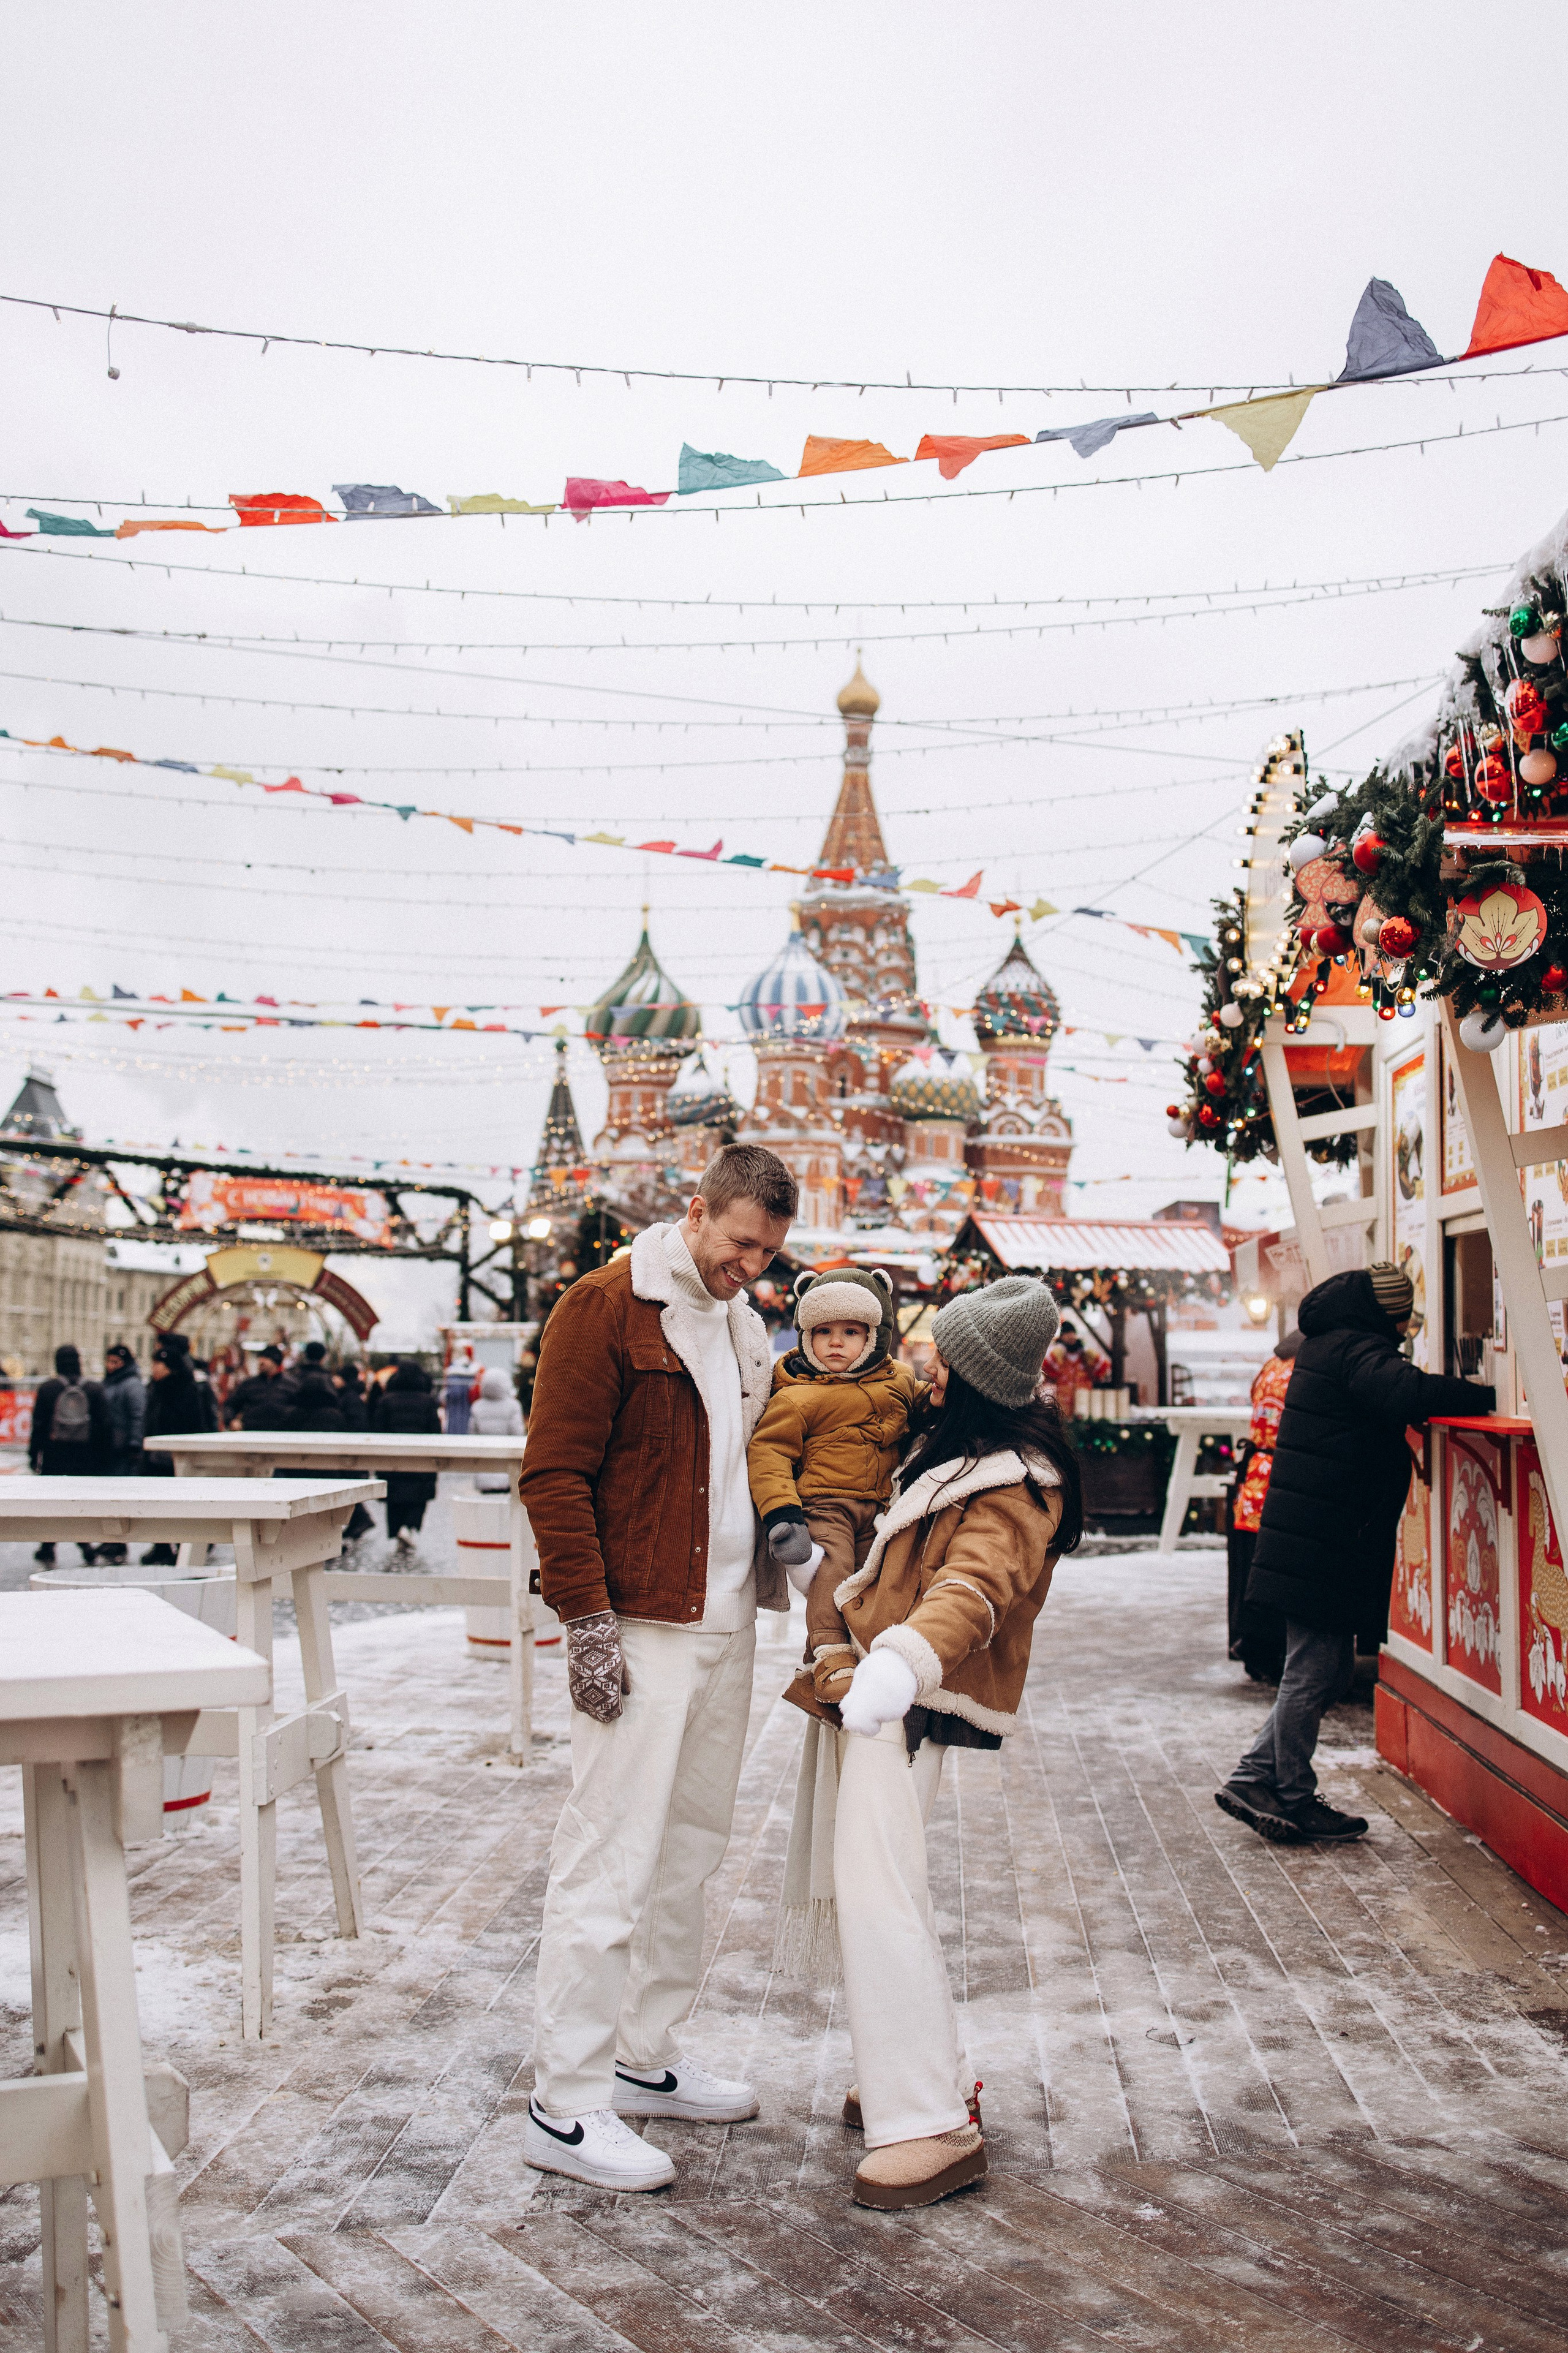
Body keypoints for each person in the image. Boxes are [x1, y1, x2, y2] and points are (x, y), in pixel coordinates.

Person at [519, 1142, 797, 2192]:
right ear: (697, 1211)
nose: (752, 1267)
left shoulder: (739, 1321)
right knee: (609, 1855)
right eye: (738, 1244)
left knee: (688, 1850)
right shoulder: (606, 1307)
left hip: (724, 1622)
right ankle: (566, 2101)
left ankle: (642, 2058)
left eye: (768, 1253)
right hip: (639, 1622)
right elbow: (553, 1473)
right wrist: (586, 1621)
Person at [779, 1274, 1078, 2210]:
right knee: (886, 1883)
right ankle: (920, 2072)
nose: (929, 1374)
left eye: (945, 1361)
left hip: (901, 1699)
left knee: (880, 1899)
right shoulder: (961, 1454)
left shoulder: (1014, 1483)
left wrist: (900, 1662)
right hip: (875, 1691)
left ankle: (929, 2121)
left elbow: (976, 1589)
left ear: (978, 1375)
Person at [1216, 1264, 1494, 1847]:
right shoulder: (1355, 1349)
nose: (1406, 1325)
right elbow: (1409, 1391)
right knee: (1315, 1670)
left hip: (1318, 1536)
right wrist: (1488, 1394)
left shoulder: (1332, 1343)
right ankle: (1286, 1792)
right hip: (1323, 1540)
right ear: (1384, 1312)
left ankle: (1257, 1776)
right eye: (1404, 1314)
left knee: (1324, 1667)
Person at [747, 1267, 922, 1641]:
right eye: (823, 1331)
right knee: (833, 1568)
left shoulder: (901, 1379)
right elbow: (768, 1453)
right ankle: (827, 1648)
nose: (836, 1343)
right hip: (826, 1505)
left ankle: (866, 1649)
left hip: (882, 1506)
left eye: (851, 1332)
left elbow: (931, 1405)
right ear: (807, 1336)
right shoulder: (796, 1396)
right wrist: (783, 1515)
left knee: (877, 1580)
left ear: (875, 1336)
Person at [1226, 1330, 1302, 1680]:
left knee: (1251, 1568)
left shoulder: (1271, 1365)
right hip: (1280, 1479)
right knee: (1274, 1571)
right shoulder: (1301, 1372)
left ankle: (1251, 1648)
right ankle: (1266, 1652)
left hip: (1254, 1476)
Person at [29, 1343, 111, 1565]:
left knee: (52, 1502)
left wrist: (34, 1454)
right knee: (80, 1502)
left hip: (55, 1455)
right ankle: (86, 1545)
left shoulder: (48, 1389)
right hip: (85, 1456)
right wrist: (104, 1458)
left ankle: (48, 1547)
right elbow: (105, 1426)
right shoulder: (94, 1389)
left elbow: (39, 1425)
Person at [140, 1335, 216, 1564]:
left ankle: (187, 1544)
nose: (153, 1369)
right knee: (157, 1503)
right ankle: (161, 1545)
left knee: (180, 1503)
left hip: (178, 1457)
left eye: (157, 1364)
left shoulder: (188, 1390)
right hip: (155, 1456)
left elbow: (196, 1424)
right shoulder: (156, 1388)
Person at [369, 1359, 441, 1547]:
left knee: (394, 1499)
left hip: (393, 1461)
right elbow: (436, 1431)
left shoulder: (386, 1401)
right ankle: (410, 1528)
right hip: (421, 1461)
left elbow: (378, 1430)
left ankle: (397, 1530)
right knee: (418, 1498)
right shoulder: (428, 1402)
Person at [96, 1342, 147, 1563]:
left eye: (115, 1362)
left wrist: (135, 1443)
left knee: (118, 1496)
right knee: (107, 1494)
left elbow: (138, 1415)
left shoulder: (131, 1385)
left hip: (123, 1448)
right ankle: (110, 1540)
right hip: (108, 1447)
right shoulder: (110, 1383)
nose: (111, 1366)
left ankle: (117, 1542)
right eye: (109, 1361)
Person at [469, 1365, 524, 1487]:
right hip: (508, 1470)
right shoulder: (513, 1406)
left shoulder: (477, 1407)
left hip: (484, 1470)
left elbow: (472, 1435)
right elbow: (517, 1434)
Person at [225, 1343, 293, 1430]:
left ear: (275, 1362)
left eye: (266, 1358)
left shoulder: (291, 1385)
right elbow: (231, 1405)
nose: (261, 1361)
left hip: (281, 1435)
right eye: (261, 1357)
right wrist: (231, 1421)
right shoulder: (249, 1384)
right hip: (251, 1434)